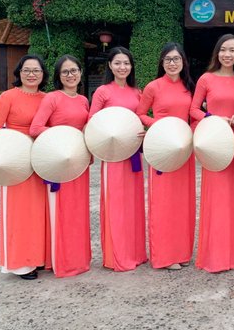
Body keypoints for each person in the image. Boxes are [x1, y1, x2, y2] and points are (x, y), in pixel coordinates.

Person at [189, 34, 234, 272]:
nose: (227, 54)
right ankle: (215, 256)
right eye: (223, 49)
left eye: (232, 50)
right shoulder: (206, 78)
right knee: (216, 199)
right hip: (215, 143)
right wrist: (213, 118)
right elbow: (193, 109)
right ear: (217, 52)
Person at [0, 54, 49, 280]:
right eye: (27, 70)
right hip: (16, 161)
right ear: (19, 73)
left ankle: (39, 258)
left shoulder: (48, 98)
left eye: (36, 70)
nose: (32, 74)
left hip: (41, 160)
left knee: (40, 211)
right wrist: (13, 146)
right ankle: (22, 263)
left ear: (43, 74)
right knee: (19, 212)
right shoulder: (8, 97)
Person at [30, 55, 91, 277]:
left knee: (78, 212)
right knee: (62, 212)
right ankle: (62, 262)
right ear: (58, 76)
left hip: (79, 163)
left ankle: (78, 259)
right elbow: (35, 128)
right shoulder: (52, 98)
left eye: (74, 70)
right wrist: (64, 136)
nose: (70, 75)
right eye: (65, 72)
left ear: (80, 73)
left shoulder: (83, 100)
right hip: (58, 163)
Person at [137, 42, 196, 270]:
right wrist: (158, 126)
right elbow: (141, 114)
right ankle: (164, 256)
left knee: (183, 202)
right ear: (162, 63)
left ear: (183, 62)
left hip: (183, 149)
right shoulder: (153, 87)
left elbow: (194, 116)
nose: (172, 63)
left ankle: (182, 252)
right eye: (168, 59)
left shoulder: (188, 86)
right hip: (161, 149)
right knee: (163, 202)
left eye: (176, 59)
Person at [89, 46, 147, 272]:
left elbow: (141, 118)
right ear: (110, 66)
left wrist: (144, 132)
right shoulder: (102, 92)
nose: (122, 67)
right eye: (118, 63)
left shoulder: (137, 92)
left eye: (126, 63)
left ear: (131, 66)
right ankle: (117, 257)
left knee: (133, 204)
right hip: (112, 156)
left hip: (132, 155)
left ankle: (136, 253)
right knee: (115, 204)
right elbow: (93, 122)